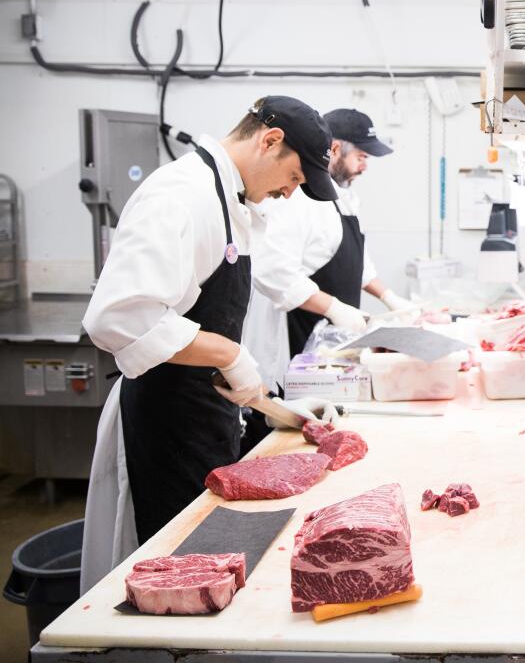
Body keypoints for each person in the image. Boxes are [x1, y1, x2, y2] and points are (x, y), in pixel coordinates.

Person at [79, 96, 340, 592]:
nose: (290, 194)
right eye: (294, 178)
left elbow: (198, 320)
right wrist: (230, 354)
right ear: (270, 140)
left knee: (210, 574)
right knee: (172, 584)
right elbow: (119, 317)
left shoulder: (228, 200)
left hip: (203, 418)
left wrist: (271, 404)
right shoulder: (181, 195)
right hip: (163, 430)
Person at [245, 108, 409, 403]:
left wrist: (391, 299)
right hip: (295, 345)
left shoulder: (346, 199)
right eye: (361, 157)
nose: (364, 167)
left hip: (330, 354)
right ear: (335, 150)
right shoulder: (299, 200)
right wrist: (335, 308)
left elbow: (359, 267)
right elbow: (272, 270)